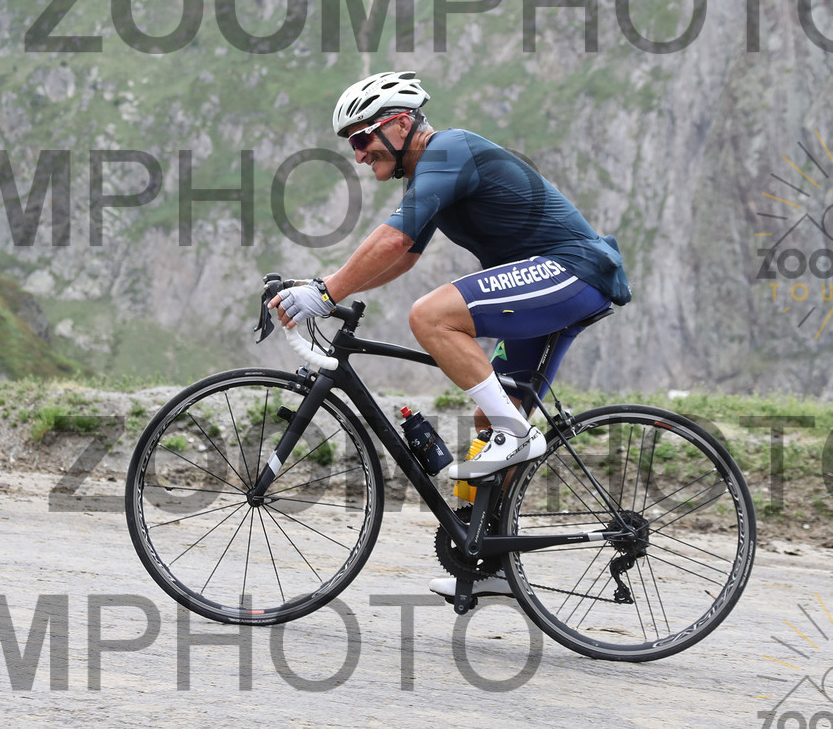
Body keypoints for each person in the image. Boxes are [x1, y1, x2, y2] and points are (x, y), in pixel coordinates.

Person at [268, 70, 632, 597]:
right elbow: (404, 255)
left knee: (431, 316)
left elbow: (393, 241)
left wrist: (325, 294)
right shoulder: (430, 171)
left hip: (573, 270)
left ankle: (517, 434)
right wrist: (325, 286)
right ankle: (494, 567)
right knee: (491, 417)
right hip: (555, 281)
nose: (359, 155)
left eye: (362, 139)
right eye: (352, 145)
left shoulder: (448, 151)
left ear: (400, 124)